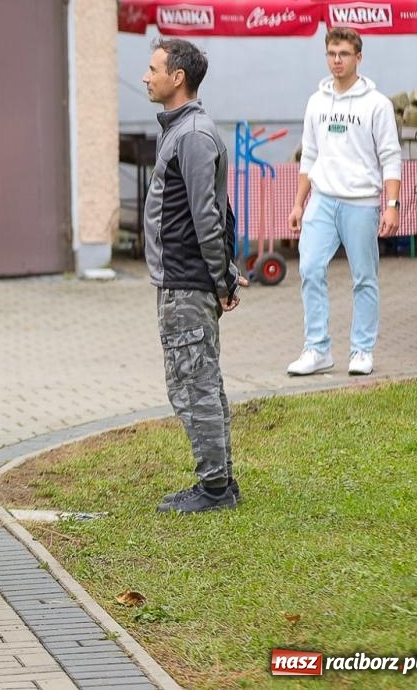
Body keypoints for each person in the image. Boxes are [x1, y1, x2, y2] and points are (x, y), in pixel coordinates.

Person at [141, 38, 245, 514]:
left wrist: (222, 278)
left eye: (153, 68)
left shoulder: (194, 135)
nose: (146, 76)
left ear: (177, 77)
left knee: (193, 384)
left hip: (187, 280)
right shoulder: (181, 130)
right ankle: (219, 480)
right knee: (199, 379)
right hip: (181, 278)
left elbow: (209, 214)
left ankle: (215, 489)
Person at [285, 27, 401, 378]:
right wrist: (298, 204)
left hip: (361, 203)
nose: (337, 60)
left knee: (364, 278)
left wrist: (392, 205)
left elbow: (390, 156)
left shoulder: (376, 104)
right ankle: (317, 349)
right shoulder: (317, 101)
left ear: (358, 58)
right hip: (322, 200)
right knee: (309, 269)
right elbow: (309, 156)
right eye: (332, 54)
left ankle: (362, 350)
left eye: (344, 54)